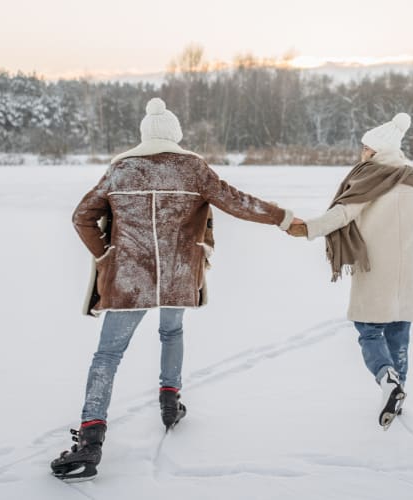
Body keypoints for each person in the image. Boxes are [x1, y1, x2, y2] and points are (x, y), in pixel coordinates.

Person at [51, 97, 300, 481]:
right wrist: (282, 218)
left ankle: (89, 441)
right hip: (179, 273)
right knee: (172, 331)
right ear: (175, 135)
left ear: (144, 135)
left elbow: (81, 217)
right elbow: (238, 203)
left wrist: (108, 255)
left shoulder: (121, 170)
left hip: (129, 279)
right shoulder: (193, 169)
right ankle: (171, 401)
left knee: (108, 355)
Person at [287, 112, 413, 430]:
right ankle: (399, 395)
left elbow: (341, 214)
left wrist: (308, 228)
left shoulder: (368, 180)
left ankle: (386, 378)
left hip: (374, 270)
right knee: (399, 336)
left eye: (365, 147)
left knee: (368, 330)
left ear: (376, 151)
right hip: (407, 273)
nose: (361, 152)